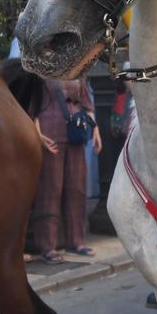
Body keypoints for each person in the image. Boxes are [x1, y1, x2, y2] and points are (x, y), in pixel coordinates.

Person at [31, 76, 96, 262]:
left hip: (76, 134)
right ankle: (47, 245)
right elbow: (33, 107)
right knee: (50, 191)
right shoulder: (40, 71)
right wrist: (38, 134)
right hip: (50, 133)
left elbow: (87, 104)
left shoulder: (78, 70)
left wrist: (95, 130)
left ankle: (77, 241)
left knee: (77, 188)